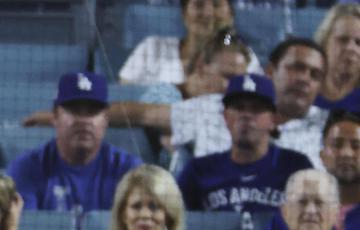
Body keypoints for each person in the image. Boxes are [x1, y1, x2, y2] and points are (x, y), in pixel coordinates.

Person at [114, 38, 328, 167]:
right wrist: (88, 112)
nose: (304, 79)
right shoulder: (212, 107)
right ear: (270, 72)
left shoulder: (330, 127)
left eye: (315, 74)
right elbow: (141, 113)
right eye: (296, 68)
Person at [8, 72, 141, 215]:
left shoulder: (129, 170)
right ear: (55, 116)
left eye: (92, 111)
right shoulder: (26, 168)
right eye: (74, 110)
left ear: (106, 119)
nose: (83, 120)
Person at [177, 75, 312, 214]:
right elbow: (176, 223)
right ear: (225, 117)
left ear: (274, 119)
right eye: (238, 107)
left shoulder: (296, 166)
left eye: (256, 108)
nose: (246, 115)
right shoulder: (198, 170)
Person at [269, 109, 360, 230]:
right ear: (322, 156)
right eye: (337, 145)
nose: (346, 153)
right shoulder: (291, 214)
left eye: (356, 146)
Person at [119, 0, 260, 86]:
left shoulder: (242, 57)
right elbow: (123, 98)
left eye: (217, 4)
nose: (208, 13)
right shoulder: (152, 48)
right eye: (198, 4)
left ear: (231, 15)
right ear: (184, 14)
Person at [104, 164, 186, 230]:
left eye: (154, 207)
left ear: (168, 216)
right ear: (123, 214)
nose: (145, 214)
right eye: (136, 206)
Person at [314, 3, 360, 112]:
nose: (351, 48)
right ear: (324, 42)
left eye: (358, 42)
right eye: (343, 40)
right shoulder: (303, 89)